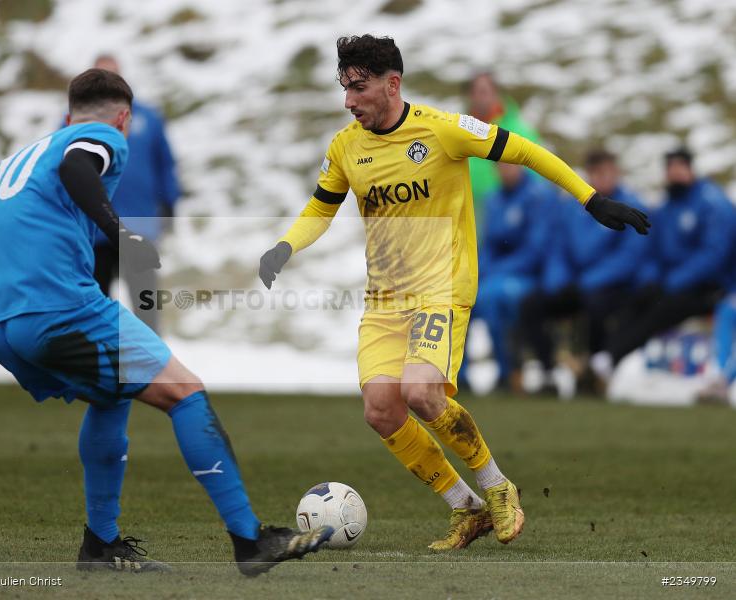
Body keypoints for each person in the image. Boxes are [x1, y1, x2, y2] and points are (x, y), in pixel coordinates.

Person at [0, 68, 331, 576]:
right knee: (185, 392)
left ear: (66, 113)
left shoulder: (8, 168)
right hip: (58, 308)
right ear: (123, 118)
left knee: (111, 393)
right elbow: (78, 166)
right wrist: (121, 234)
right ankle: (249, 540)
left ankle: (100, 544)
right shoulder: (101, 138)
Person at [258, 35, 649, 551]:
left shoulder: (442, 130)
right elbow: (320, 209)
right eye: (344, 88)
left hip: (441, 287)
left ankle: (498, 488)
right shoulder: (346, 147)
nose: (348, 100)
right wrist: (285, 246)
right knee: (381, 410)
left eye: (358, 88)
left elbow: (524, 150)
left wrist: (590, 198)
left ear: (392, 84)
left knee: (421, 392)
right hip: (385, 299)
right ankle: (466, 507)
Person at [590, 148, 734, 382]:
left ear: (690, 169)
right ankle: (604, 357)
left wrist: (674, 281)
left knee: (662, 307)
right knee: (639, 297)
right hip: (672, 281)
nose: (674, 173)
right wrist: (653, 277)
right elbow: (653, 249)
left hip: (711, 286)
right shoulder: (666, 206)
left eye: (679, 168)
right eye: (670, 169)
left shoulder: (713, 203)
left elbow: (714, 255)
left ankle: (611, 356)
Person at [514, 150, 651, 396]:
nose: (602, 178)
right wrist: (559, 280)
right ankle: (548, 371)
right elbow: (558, 248)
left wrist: (588, 281)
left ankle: (594, 372)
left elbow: (628, 258)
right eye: (596, 173)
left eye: (607, 172)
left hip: (612, 285)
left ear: (617, 173)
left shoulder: (631, 208)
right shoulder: (573, 207)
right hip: (574, 282)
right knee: (531, 304)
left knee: (597, 306)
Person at [85, 54, 179, 333]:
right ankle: (101, 355)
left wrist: (169, 203)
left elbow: (165, 164)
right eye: (100, 76)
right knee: (95, 301)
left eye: (112, 74)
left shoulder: (147, 117)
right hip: (94, 230)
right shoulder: (77, 120)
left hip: (139, 224)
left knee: (145, 301)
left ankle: (152, 355)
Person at [472, 162, 556, 389]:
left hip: (531, 275)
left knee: (497, 297)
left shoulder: (539, 196)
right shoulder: (493, 199)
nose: (505, 170)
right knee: (465, 296)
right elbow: (488, 244)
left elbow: (536, 249)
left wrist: (498, 270)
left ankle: (513, 370)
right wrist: (483, 270)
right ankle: (461, 376)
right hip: (498, 275)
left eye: (510, 165)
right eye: (500, 166)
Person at [465, 72, 540, 221]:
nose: (481, 97)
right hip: (475, 220)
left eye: (485, 91)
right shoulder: (461, 134)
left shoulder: (519, 131)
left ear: (496, 93)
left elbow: (538, 175)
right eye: (476, 92)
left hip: (518, 217)